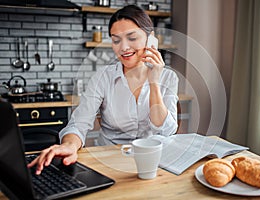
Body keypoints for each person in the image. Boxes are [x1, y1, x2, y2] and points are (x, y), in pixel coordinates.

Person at [28, 4, 179, 175]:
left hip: (153, 165)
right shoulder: (102, 78)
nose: (123, 47)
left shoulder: (168, 78)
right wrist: (69, 145)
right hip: (109, 164)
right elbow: (79, 124)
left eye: (132, 38)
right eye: (116, 40)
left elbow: (166, 130)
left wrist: (154, 83)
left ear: (150, 38)